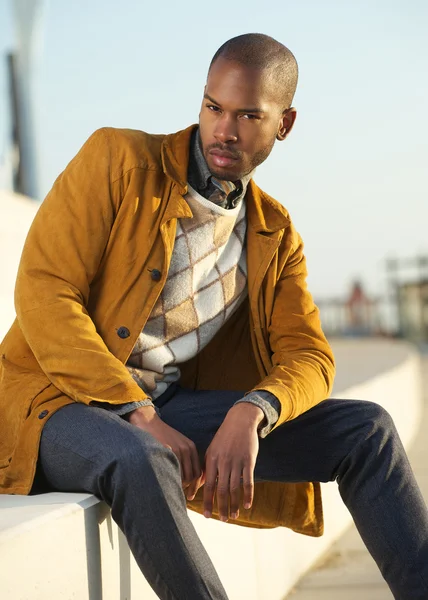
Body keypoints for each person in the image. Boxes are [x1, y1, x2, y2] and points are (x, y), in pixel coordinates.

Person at [0, 33, 427, 600]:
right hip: (53, 401)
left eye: (249, 114)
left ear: (285, 123)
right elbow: (44, 294)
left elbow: (310, 355)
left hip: (169, 406)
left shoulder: (273, 233)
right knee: (143, 457)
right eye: (213, 107)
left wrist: (253, 410)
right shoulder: (117, 160)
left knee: (365, 429)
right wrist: (139, 412)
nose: (224, 130)